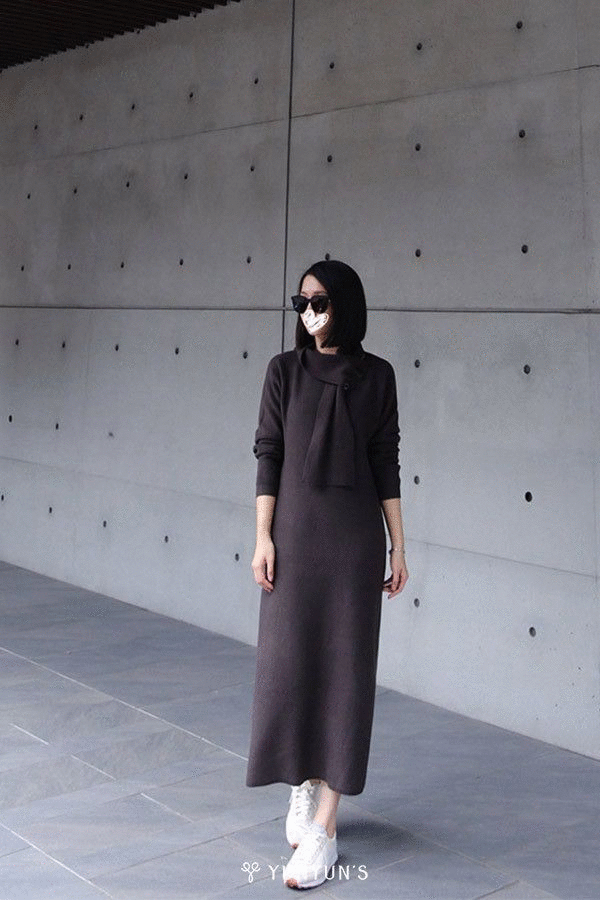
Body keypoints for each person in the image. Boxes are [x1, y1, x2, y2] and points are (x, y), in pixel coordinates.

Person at [246, 259, 408, 890]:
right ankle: (303, 781)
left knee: (346, 674)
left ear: (345, 305)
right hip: (293, 542)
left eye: (319, 301)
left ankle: (325, 828)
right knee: (288, 666)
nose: (309, 312)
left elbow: (387, 461)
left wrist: (399, 546)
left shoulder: (378, 377)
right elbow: (268, 454)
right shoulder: (282, 372)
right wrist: (263, 536)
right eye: (301, 301)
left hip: (353, 547)